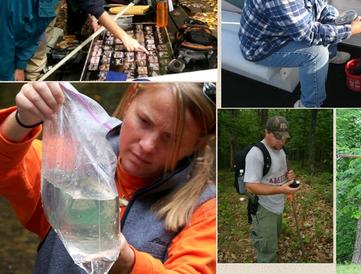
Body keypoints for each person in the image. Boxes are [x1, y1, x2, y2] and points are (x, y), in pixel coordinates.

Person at [0, 82, 216, 273]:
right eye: (144, 122)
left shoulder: (206, 208)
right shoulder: (71, 160)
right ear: (131, 98)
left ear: (197, 143)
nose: (147, 146)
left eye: (171, 139)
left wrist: (128, 264)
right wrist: (21, 121)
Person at [244, 116, 300, 262]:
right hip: (264, 208)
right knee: (267, 251)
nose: (281, 142)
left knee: (273, 241)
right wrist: (281, 189)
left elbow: (283, 170)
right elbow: (250, 186)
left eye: (284, 138)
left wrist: (290, 175)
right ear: (266, 132)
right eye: (277, 137)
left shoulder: (281, 150)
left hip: (278, 206)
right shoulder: (255, 154)